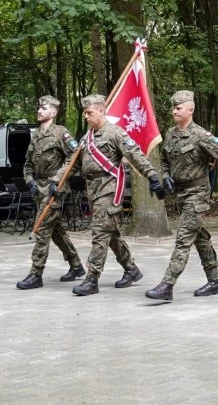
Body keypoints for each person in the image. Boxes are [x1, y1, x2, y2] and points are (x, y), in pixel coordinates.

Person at [145, 91, 218, 301]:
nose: (174, 111)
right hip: (181, 194)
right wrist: (166, 175)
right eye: (173, 108)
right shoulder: (170, 134)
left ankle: (167, 285)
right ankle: (214, 282)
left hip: (198, 194)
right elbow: (165, 160)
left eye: (178, 108)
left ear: (191, 109)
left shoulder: (201, 136)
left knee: (183, 237)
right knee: (200, 238)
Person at [71, 94, 166, 296]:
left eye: (89, 113)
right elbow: (71, 162)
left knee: (99, 232)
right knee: (110, 233)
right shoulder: (86, 138)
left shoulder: (116, 133)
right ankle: (131, 269)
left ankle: (92, 278)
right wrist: (56, 181)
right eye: (85, 113)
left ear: (101, 111)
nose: (86, 116)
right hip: (93, 190)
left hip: (110, 188)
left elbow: (136, 155)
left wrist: (152, 176)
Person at [16, 95, 85, 290]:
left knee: (42, 228)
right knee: (56, 230)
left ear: (53, 112)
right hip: (39, 187)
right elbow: (27, 164)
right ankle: (76, 265)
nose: (40, 111)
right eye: (39, 108)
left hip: (56, 187)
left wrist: (57, 180)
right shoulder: (35, 135)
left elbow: (74, 157)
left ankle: (35, 273)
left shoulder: (61, 133)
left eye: (44, 108)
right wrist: (29, 181)